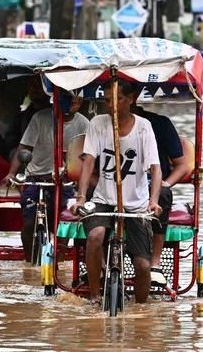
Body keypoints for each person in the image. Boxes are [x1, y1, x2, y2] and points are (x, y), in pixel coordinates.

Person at [71, 79, 162, 305]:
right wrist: (81, 197)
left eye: (117, 100)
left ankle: (141, 309)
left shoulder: (144, 127)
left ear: (131, 100)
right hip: (104, 199)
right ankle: (94, 294)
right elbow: (89, 161)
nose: (110, 105)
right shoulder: (98, 124)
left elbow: (155, 168)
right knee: (95, 236)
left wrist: (153, 201)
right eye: (106, 100)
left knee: (142, 265)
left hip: (136, 204)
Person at [2, 93, 89, 261]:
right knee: (29, 224)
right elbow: (24, 147)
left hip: (65, 180)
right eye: (69, 98)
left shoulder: (84, 123)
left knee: (65, 224)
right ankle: (29, 264)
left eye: (77, 98)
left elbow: (88, 156)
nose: (73, 101)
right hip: (36, 177)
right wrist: (12, 173)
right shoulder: (40, 118)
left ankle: (59, 261)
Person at [132, 103, 192, 287]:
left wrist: (165, 183)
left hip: (154, 184)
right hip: (123, 184)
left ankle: (155, 263)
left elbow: (181, 164)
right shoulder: (107, 124)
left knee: (164, 194)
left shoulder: (160, 124)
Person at [0, 76, 52, 186]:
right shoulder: (22, 118)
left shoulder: (58, 116)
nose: (36, 89)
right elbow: (8, 150)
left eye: (40, 86)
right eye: (33, 86)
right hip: (28, 168)